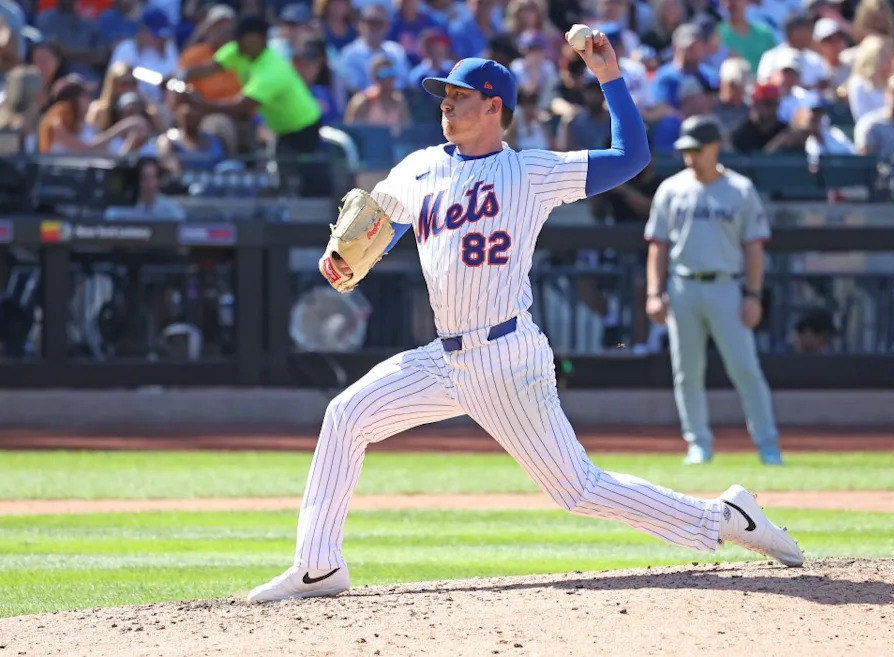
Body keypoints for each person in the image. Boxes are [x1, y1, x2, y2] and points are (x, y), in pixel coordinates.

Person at [245, 32, 803, 603]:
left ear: (494, 108)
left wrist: (609, 78)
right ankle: (318, 567)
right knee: (345, 416)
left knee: (579, 490)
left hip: (507, 358)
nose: (446, 103)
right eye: (444, 95)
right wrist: (344, 255)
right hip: (444, 358)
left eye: (461, 96)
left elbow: (632, 158)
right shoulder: (418, 169)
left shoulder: (532, 173)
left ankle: (722, 517)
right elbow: (381, 224)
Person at [644, 115, 784, 466]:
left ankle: (767, 444)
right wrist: (654, 292)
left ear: (715, 147)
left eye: (696, 149)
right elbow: (657, 245)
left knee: (745, 368)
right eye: (686, 150)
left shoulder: (739, 189)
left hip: (726, 286)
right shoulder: (672, 189)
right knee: (687, 371)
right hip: (683, 286)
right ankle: (698, 443)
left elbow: (754, 247)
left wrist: (753, 295)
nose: (690, 156)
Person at [177, 14, 323, 194]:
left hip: (302, 126)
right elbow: (210, 68)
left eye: (241, 38)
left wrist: (201, 105)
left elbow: (241, 106)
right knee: (280, 169)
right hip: (280, 128)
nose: (236, 42)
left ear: (258, 40)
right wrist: (179, 76)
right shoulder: (239, 51)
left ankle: (295, 210)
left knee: (295, 176)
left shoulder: (272, 69)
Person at [104, 156, 186, 221]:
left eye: (152, 178)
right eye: (144, 178)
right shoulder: (120, 210)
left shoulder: (171, 211)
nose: (148, 184)